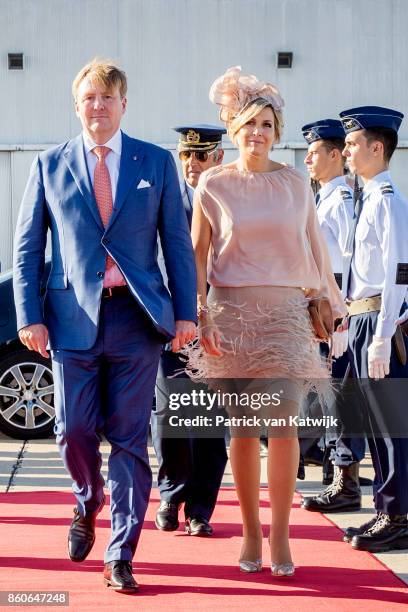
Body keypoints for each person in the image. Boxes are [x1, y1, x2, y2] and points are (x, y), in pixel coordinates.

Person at [13, 59, 197, 592]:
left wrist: (185, 313)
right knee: (73, 430)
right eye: (89, 97)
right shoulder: (49, 165)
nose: (99, 106)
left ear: (124, 105)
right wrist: (30, 317)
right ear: (78, 106)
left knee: (131, 440)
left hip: (137, 319)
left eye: (108, 97)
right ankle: (86, 500)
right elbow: (28, 250)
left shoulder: (156, 162)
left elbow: (177, 246)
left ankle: (121, 551)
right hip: (71, 322)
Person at [186, 66, 346, 577]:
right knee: (242, 429)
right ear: (234, 130)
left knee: (283, 428)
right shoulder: (212, 182)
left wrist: (332, 306)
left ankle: (281, 535)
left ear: (277, 132)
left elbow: (316, 249)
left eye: (268, 126)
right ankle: (250, 532)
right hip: (231, 317)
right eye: (250, 124)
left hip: (285, 318)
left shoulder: (296, 181)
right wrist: (200, 316)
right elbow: (197, 255)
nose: (258, 133)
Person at [336, 105, 408, 552]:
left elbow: (400, 271)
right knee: (375, 422)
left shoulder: (388, 201)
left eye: (352, 143)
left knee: (392, 424)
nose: (346, 150)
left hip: (382, 321)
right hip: (362, 318)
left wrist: (383, 335)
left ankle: (400, 514)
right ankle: (385, 509)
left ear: (376, 148)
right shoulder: (366, 200)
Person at [152, 124, 228, 536]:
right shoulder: (163, 197)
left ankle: (200, 509)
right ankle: (171, 493)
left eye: (201, 155)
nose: (192, 163)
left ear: (218, 156)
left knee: (211, 420)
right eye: (186, 155)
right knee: (170, 413)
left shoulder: (230, 199)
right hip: (169, 325)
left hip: (218, 324)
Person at [300, 119, 369, 511]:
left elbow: (346, 263)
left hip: (336, 311)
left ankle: (345, 479)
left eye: (316, 151)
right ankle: (335, 468)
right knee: (329, 395)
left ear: (334, 156)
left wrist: (338, 316)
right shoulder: (324, 197)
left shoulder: (340, 200)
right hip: (323, 309)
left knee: (342, 396)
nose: (308, 157)